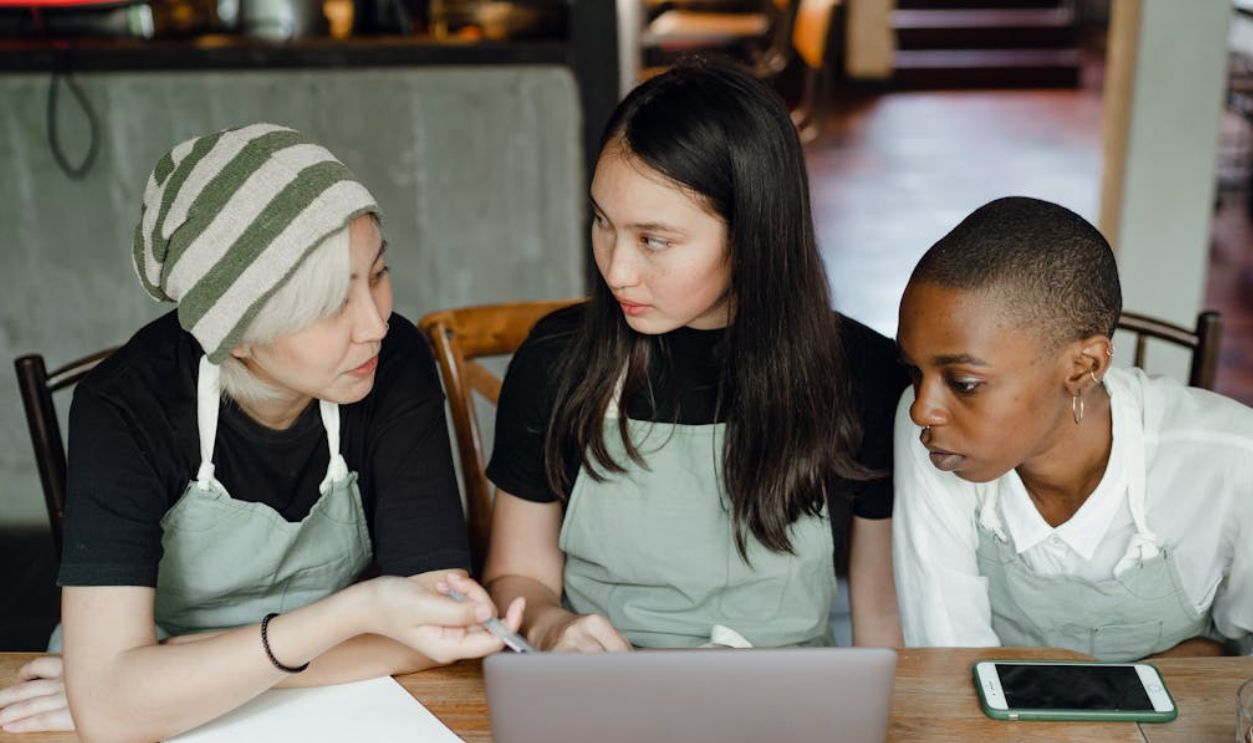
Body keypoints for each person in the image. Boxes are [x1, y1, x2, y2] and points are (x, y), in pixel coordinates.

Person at [0, 123, 521, 737]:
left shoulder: (395, 363)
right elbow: (112, 717)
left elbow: (436, 630)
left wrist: (166, 675)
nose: (375, 324)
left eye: (378, 275)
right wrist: (360, 614)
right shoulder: (123, 406)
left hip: (327, 697)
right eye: (331, 304)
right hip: (333, 662)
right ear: (235, 336)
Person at [483, 61, 907, 652]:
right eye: (603, 223)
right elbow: (516, 575)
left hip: (791, 707)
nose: (616, 269)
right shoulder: (558, 361)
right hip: (603, 698)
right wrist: (553, 626)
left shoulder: (864, 373)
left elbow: (883, 622)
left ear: (752, 233)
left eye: (654, 240)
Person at [892, 196, 1252, 661]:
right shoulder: (934, 436)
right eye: (913, 371)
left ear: (1084, 367)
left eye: (964, 382)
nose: (922, 410)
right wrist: (1185, 657)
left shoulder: (1231, 459)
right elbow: (950, 663)